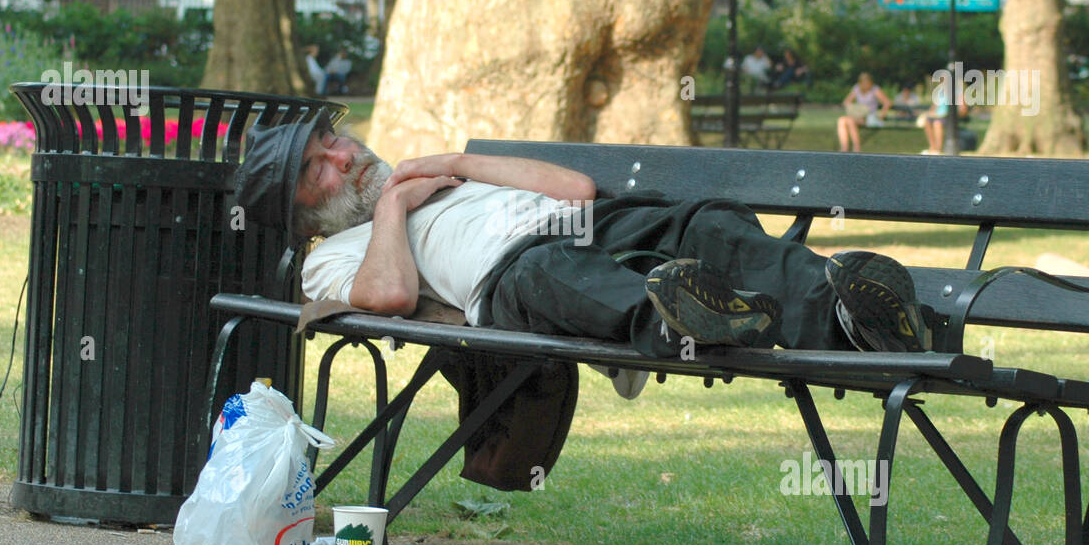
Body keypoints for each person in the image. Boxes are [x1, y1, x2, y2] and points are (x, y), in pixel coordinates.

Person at [233, 114, 935, 391]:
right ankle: (682, 319)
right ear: (301, 214)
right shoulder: (332, 255)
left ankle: (851, 320)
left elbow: (573, 188)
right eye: (319, 168)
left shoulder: (435, 175)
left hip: (586, 225)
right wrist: (391, 207)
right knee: (552, 270)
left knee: (706, 223)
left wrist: (459, 161)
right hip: (511, 277)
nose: (345, 156)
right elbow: (386, 295)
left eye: (336, 141)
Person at [838, 72, 892, 152]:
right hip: (858, 115)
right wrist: (855, 108)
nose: (866, 85)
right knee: (841, 120)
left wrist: (882, 116)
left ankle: (856, 148)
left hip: (869, 117)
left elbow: (887, 102)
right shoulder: (856, 88)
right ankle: (844, 148)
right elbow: (846, 102)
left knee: (849, 121)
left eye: (868, 83)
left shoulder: (875, 89)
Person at [919, 75, 966, 155]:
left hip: (949, 117)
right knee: (927, 121)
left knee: (937, 123)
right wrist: (927, 113)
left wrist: (955, 114)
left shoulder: (958, 92)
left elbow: (963, 110)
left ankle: (938, 149)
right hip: (939, 115)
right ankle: (932, 147)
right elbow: (934, 107)